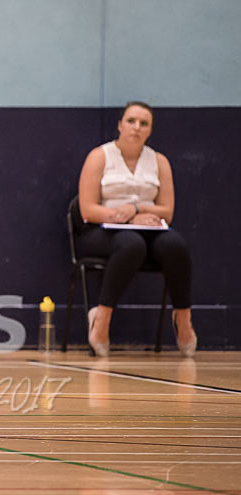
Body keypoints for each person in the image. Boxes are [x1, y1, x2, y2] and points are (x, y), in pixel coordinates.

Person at [77, 101, 196, 357]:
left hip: (147, 230)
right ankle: (102, 319)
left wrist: (138, 209)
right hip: (102, 232)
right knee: (131, 243)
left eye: (144, 123)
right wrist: (126, 218)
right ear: (120, 125)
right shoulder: (100, 156)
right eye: (131, 121)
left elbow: (166, 211)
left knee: (175, 245)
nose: (136, 128)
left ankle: (183, 319)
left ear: (150, 130)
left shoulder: (159, 161)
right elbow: (87, 208)